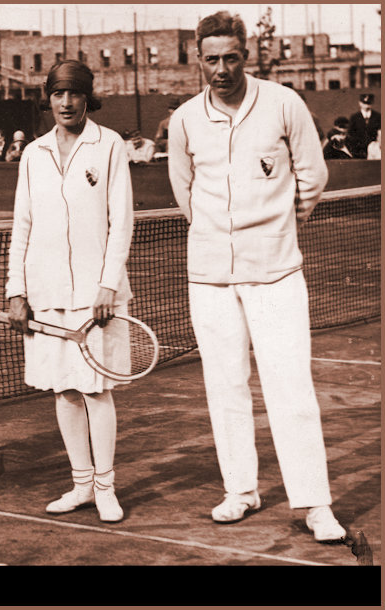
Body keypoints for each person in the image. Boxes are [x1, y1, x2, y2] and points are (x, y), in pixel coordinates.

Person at [167, 11, 346, 543]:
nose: (221, 69)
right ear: (198, 59)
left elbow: (313, 178)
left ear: (248, 55)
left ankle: (314, 503)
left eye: (232, 58)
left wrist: (275, 229)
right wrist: (215, 236)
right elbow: (185, 190)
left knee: (291, 389)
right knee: (225, 387)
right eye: (211, 59)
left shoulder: (284, 103)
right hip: (209, 277)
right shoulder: (183, 119)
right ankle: (240, 490)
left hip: (276, 273)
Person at [6, 60, 134, 523]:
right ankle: (81, 483)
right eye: (57, 93)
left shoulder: (110, 145)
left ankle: (105, 487)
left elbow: (122, 221)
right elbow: (22, 225)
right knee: (64, 389)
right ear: (49, 98)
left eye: (74, 93)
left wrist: (107, 284)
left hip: (96, 294)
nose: (65, 102)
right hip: (46, 292)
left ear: (87, 98)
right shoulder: (34, 153)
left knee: (96, 390)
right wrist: (16, 291)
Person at [347, 93, 381, 159]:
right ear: (360, 103)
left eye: (369, 103)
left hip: (374, 151)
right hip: (358, 151)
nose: (366, 106)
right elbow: (350, 134)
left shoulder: (378, 116)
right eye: (364, 103)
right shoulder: (354, 117)